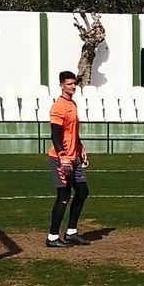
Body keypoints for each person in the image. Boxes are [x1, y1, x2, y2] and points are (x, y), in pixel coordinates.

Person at [46, 70, 91, 248]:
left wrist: (81, 149)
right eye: (69, 84)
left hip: (75, 157)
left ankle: (71, 232)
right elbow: (55, 135)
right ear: (61, 85)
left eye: (74, 84)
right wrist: (63, 156)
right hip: (61, 158)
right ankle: (52, 237)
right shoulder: (59, 106)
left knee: (82, 191)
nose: (73, 87)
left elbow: (73, 132)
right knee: (64, 196)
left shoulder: (73, 104)